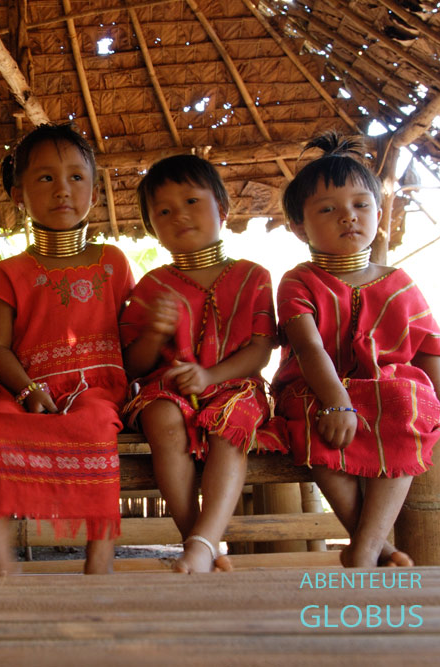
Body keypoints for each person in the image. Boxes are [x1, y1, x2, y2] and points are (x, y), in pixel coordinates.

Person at [270, 132, 440, 568]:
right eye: (327, 209)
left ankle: (363, 548)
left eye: (361, 205)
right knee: (307, 419)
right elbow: (307, 347)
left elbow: (429, 347)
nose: (348, 217)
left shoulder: (399, 282)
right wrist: (337, 402)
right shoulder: (298, 282)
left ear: (380, 213)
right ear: (299, 226)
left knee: (409, 404)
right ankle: (377, 547)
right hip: (316, 388)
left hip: (386, 389)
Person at [0, 123, 134, 575]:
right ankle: (2, 563)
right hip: (26, 388)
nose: (63, 189)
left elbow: (131, 333)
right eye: (45, 178)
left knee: (96, 423)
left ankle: (100, 560)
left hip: (96, 388)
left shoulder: (111, 262)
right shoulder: (9, 272)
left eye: (77, 177)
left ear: (94, 193)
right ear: (18, 194)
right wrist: (25, 391)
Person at [121, 155, 280, 574]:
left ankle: (205, 541)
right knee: (160, 416)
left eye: (192, 201)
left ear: (222, 210)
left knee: (230, 428)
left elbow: (261, 350)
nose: (180, 216)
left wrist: (211, 375)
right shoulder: (151, 285)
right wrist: (154, 334)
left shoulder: (253, 276)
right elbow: (133, 367)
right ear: (152, 227)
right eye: (164, 211)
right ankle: (198, 538)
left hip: (236, 387)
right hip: (168, 389)